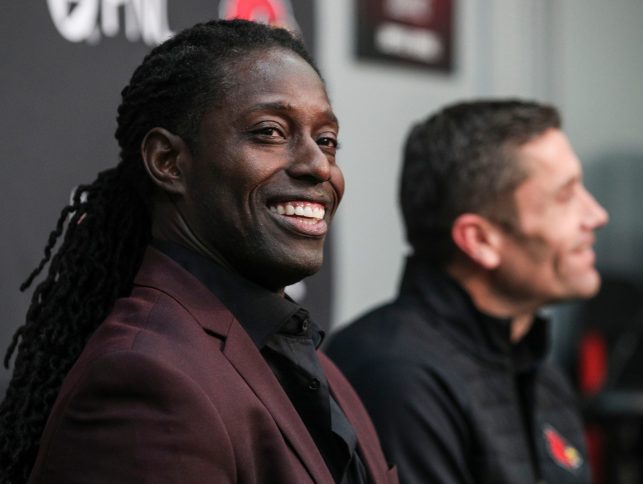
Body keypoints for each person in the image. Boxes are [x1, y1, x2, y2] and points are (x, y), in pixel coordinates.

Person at [0, 19, 396, 484]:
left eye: (326, 141)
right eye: (269, 132)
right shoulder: (144, 380)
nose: (317, 165)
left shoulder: (313, 362)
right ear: (169, 162)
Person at [327, 100, 609, 484]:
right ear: (480, 240)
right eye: (565, 196)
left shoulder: (539, 369)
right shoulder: (397, 376)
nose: (596, 215)